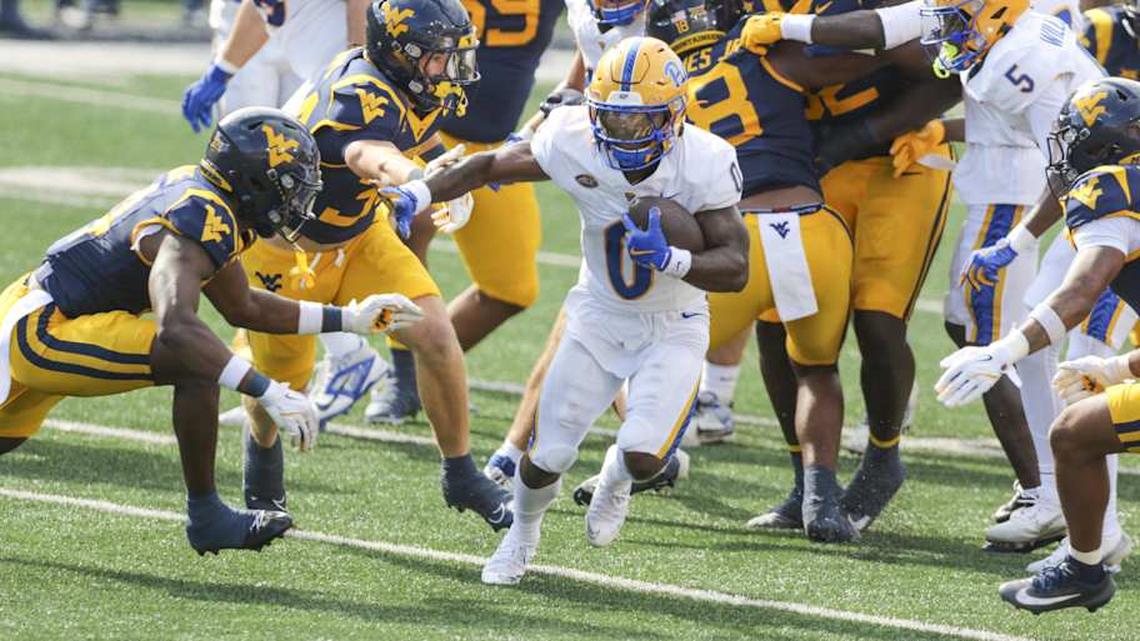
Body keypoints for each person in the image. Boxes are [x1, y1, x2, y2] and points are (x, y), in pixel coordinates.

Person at [386, 35, 748, 583]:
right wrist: (420, 194)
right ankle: (522, 534)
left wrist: (672, 259)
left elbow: (736, 265)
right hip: (598, 315)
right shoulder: (573, 140)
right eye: (613, 120)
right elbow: (487, 166)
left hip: (675, 325)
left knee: (645, 455)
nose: (625, 134)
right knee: (548, 453)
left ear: (674, 115)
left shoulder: (705, 161)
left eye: (640, 122)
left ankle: (616, 478)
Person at [745, 0, 1105, 552]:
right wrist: (941, 128)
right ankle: (1050, 489)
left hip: (1029, 197)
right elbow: (888, 27)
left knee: (998, 344)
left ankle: (1051, 494)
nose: (944, 31)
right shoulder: (988, 23)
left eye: (956, 21)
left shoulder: (1025, 57)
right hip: (1007, 186)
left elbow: (1066, 158)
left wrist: (1020, 239)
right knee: (984, 334)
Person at [0, 107, 418, 554]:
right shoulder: (203, 214)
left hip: (47, 315)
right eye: (291, 185)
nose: (298, 202)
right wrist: (266, 389)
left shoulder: (211, 201)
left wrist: (348, 318)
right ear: (255, 180)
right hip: (43, 329)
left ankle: (208, 515)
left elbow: (245, 306)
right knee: (196, 363)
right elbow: (176, 327)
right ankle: (207, 517)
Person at [233, 0, 513, 530]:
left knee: (434, 333)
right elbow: (369, 154)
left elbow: (416, 132)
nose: (450, 68)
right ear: (403, 55)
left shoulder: (408, 82)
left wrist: (442, 166)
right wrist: (416, 180)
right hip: (288, 252)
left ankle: (460, 472)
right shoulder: (362, 92)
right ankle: (262, 473)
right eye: (439, 57)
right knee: (281, 383)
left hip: (361, 236)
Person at [937, 78, 1140, 613]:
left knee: (1072, 435)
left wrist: (1003, 350)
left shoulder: (1115, 187)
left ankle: (1084, 568)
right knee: (1079, 430)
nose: (1070, 149)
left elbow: (1080, 290)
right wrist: (1121, 367)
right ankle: (1084, 566)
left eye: (1080, 136)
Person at [361, 0, 566, 425]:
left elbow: (594, 45)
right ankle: (399, 377)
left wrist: (538, 124)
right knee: (409, 235)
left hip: (497, 149)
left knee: (512, 288)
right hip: (426, 128)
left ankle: (429, 370)